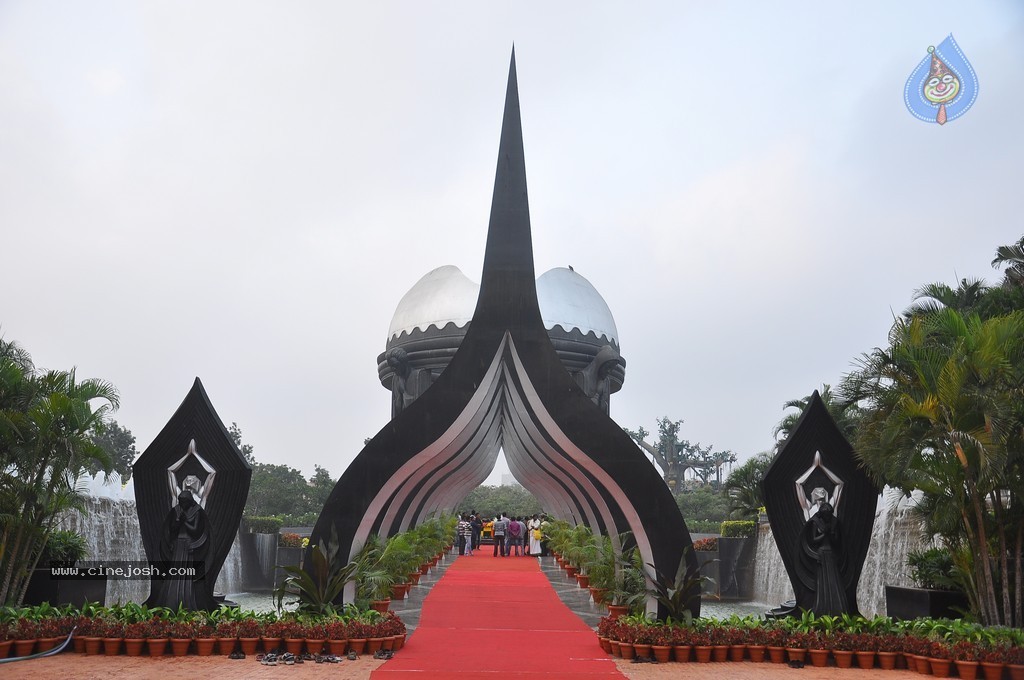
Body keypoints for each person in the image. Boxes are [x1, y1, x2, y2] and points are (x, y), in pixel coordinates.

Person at [147, 487, 216, 610]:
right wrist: (178, 522)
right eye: (180, 502)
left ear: (189, 501)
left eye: (184, 502)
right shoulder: (176, 510)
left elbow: (196, 530)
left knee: (186, 574)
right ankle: (170, 601)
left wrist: (184, 522)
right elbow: (171, 529)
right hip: (178, 545)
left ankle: (187, 601)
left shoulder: (197, 511)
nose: (182, 504)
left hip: (188, 546)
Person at [799, 501, 848, 615]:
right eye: (826, 515)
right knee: (822, 582)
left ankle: (838, 608)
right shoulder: (815, 523)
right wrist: (824, 534)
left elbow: (837, 541)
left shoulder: (834, 523)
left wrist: (831, 534)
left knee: (833, 580)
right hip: (821, 555)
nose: (828, 517)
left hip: (831, 554)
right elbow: (813, 540)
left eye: (829, 515)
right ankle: (821, 607)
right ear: (822, 514)